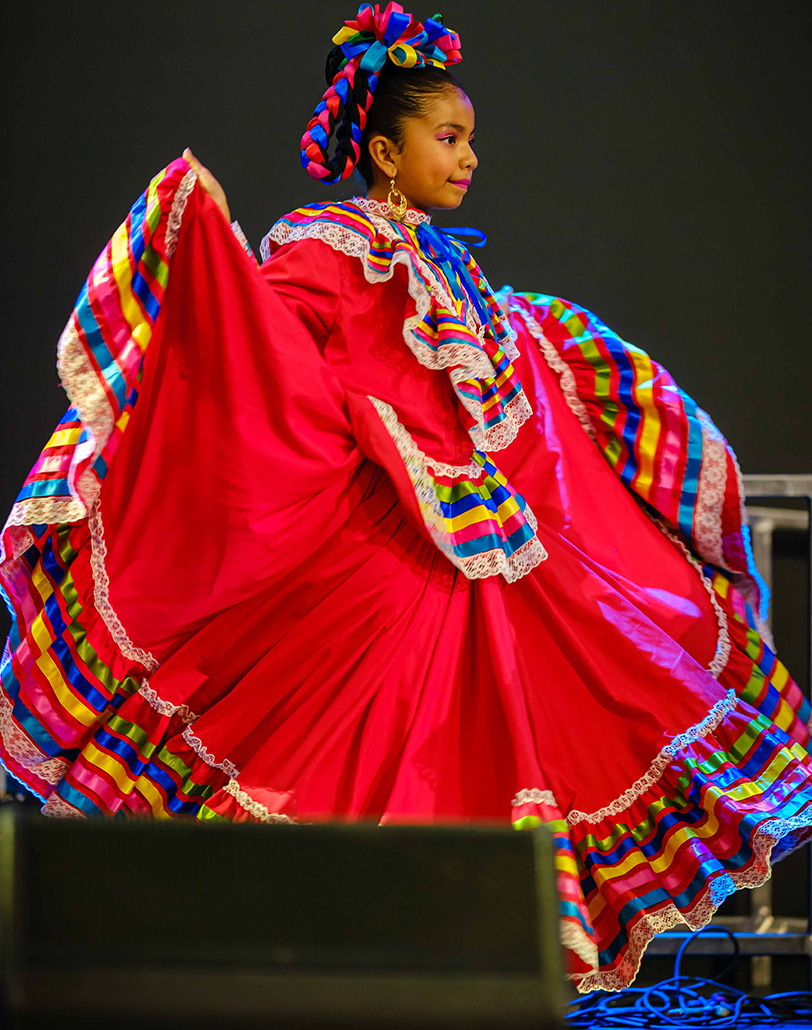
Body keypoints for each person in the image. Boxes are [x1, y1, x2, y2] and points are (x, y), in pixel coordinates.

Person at [1, 1, 811, 995]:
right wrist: (203, 250)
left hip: (491, 565)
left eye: (470, 138)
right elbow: (267, 355)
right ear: (384, 150)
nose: (468, 155)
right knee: (362, 759)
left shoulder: (451, 268)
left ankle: (458, 976)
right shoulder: (327, 248)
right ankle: (343, 972)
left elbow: (496, 403)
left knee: (498, 756)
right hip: (378, 561)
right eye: (447, 136)